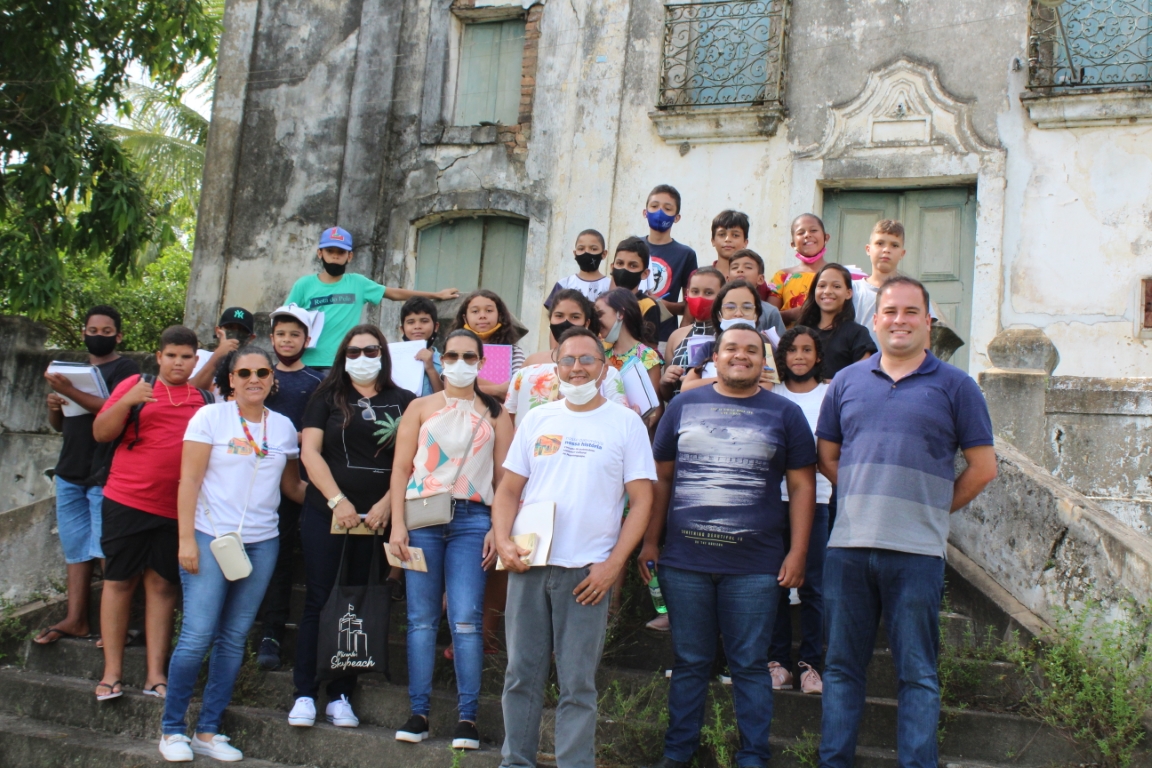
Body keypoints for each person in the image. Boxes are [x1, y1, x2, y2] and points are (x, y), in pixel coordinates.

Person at [815, 277, 998, 768]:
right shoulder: (848, 382)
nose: (899, 319)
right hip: (848, 548)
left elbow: (983, 470)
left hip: (917, 553)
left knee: (917, 673)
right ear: (875, 320)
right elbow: (827, 456)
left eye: (911, 311)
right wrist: (865, 497)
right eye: (890, 311)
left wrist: (929, 508)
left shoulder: (957, 386)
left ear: (928, 321)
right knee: (840, 668)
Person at [641, 322, 817, 768]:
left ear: (764, 361)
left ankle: (753, 757)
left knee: (750, 666)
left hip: (755, 566)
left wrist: (798, 553)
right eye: (731, 349)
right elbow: (660, 479)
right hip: (685, 562)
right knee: (690, 662)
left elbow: (801, 487)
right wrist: (650, 541)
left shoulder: (786, 414)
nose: (741, 356)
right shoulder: (683, 405)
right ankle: (677, 755)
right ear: (714, 358)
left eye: (752, 351)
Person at [492, 327, 657, 768]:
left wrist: (612, 565)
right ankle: (516, 762)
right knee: (520, 676)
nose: (577, 368)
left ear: (604, 368)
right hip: (530, 564)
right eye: (568, 360)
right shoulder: (538, 418)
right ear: (555, 365)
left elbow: (642, 501)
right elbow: (508, 491)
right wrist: (504, 541)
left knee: (578, 684)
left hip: (587, 574)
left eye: (588, 360)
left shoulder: (625, 423)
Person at [159, 347, 306, 762]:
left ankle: (208, 730)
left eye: (262, 372)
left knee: (234, 637)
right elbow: (188, 481)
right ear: (230, 379)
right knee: (197, 635)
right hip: (210, 537)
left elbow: (292, 488)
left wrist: (339, 500)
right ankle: (172, 730)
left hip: (262, 543)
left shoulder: (282, 428)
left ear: (272, 380)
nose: (254, 379)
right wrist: (186, 540)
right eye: (244, 373)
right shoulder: (210, 417)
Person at [388, 329, 514, 750]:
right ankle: (418, 712)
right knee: (421, 619)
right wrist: (397, 525)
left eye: (469, 356)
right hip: (422, 516)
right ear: (441, 359)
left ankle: (468, 718)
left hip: (473, 519)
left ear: (481, 362)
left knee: (465, 619)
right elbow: (401, 469)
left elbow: (503, 478)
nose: (460, 362)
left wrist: (500, 529)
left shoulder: (497, 413)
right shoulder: (419, 407)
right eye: (453, 355)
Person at [288, 325, 417, 729]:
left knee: (359, 602)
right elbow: (309, 453)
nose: (363, 357)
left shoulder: (405, 401)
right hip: (327, 514)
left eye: (371, 350)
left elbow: (413, 462)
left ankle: (341, 694)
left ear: (384, 354)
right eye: (355, 351)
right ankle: (305, 692)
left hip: (379, 519)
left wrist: (387, 508)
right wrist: (336, 501)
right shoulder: (325, 398)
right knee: (320, 600)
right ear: (343, 356)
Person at [91, 326, 213, 701]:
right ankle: (111, 673)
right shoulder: (136, 384)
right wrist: (127, 401)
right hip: (127, 500)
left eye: (187, 356)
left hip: (176, 508)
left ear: (196, 361)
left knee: (162, 586)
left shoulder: (206, 400)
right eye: (172, 355)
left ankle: (155, 674)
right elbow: (100, 433)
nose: (179, 363)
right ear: (159, 357)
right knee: (119, 582)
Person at [36, 306, 140, 645]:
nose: (97, 336)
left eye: (106, 331)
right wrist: (55, 407)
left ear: (119, 336)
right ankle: (76, 618)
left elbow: (115, 410)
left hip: (104, 472)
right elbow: (62, 426)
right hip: (70, 471)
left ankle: (115, 627)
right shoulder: (73, 372)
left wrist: (67, 391)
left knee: (104, 549)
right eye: (92, 330)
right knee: (76, 549)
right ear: (83, 332)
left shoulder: (126, 370)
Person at [254, 304, 325, 670]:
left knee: (304, 558)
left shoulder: (316, 382)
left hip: (303, 481)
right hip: (260, 482)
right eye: (281, 334)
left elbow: (323, 430)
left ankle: (307, 638)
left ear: (307, 340)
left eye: (295, 334)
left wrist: (301, 439)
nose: (287, 340)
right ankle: (268, 633)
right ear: (271, 339)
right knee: (273, 558)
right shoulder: (259, 376)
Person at [286, 226, 459, 368]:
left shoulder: (358, 283)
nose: (335, 255)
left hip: (344, 363)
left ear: (350, 256)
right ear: (319, 253)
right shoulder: (304, 285)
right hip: (306, 362)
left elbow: (394, 293)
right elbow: (285, 319)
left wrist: (436, 295)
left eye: (341, 251)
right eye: (330, 250)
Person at [767, 326, 832, 695]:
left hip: (817, 499)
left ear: (817, 356)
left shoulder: (830, 394)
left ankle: (811, 665)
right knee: (774, 583)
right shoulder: (771, 393)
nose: (799, 357)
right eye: (792, 350)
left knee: (813, 587)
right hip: (773, 500)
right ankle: (777, 663)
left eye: (807, 350)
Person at [506, 289, 626, 424]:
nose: (566, 322)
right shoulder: (530, 364)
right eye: (559, 315)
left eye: (575, 317)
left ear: (586, 323)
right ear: (550, 320)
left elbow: (618, 417)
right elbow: (510, 414)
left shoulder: (604, 368)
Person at [680, 280, 775, 393]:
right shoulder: (709, 348)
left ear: (756, 315)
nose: (738, 313)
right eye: (730, 307)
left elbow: (766, 387)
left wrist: (709, 382)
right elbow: (687, 387)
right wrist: (735, 379)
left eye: (747, 307)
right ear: (719, 315)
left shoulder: (766, 347)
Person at [795, 264, 876, 381]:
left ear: (848, 293)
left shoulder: (857, 334)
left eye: (836, 286)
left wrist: (823, 385)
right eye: (822, 286)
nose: (827, 291)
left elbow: (864, 378)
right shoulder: (802, 330)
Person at [595, 289, 663, 427]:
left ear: (621, 314)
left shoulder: (647, 356)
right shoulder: (603, 354)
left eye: (600, 314)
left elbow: (654, 410)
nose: (597, 321)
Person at [642, 184, 698, 344]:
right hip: (629, 336)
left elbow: (690, 304)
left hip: (664, 338)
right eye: (654, 206)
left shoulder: (686, 254)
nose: (659, 212)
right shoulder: (632, 246)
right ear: (645, 212)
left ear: (677, 217)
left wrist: (660, 305)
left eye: (667, 208)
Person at [660, 267, 724, 402]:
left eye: (708, 292)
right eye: (695, 292)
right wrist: (665, 381)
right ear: (687, 294)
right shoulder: (676, 335)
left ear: (722, 297)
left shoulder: (728, 335)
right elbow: (667, 395)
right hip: (680, 413)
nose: (700, 298)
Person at [453, 289, 526, 401]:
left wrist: (471, 386)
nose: (482, 316)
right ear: (464, 318)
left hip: (500, 412)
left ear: (499, 315)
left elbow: (518, 388)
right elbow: (451, 385)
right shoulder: (453, 350)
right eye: (475, 311)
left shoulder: (514, 352)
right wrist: (497, 390)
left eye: (489, 310)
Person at [769, 214, 831, 326]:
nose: (807, 235)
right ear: (793, 244)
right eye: (801, 232)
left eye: (813, 230)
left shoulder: (838, 275)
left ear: (826, 238)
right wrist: (792, 314)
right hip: (789, 341)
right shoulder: (782, 276)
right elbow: (768, 316)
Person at [853, 220, 906, 344]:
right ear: (868, 249)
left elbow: (925, 335)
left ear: (902, 253)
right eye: (880, 243)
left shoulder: (912, 293)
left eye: (894, 245)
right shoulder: (852, 290)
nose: (886, 250)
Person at [190, 307, 257, 391]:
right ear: (218, 331)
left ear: (251, 338)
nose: (235, 334)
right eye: (230, 327)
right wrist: (218, 355)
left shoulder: (254, 367)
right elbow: (190, 391)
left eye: (242, 330)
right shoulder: (201, 356)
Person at [609, 236, 664, 334]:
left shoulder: (648, 305)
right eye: (620, 263)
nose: (624, 269)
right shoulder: (604, 302)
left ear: (645, 273)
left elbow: (649, 345)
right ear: (612, 268)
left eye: (633, 265)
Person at [727, 249, 787, 337]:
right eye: (735, 267)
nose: (740, 270)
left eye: (748, 267)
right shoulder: (721, 308)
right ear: (728, 279)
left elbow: (781, 345)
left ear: (760, 279)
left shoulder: (770, 312)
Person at [545, 229, 611, 308]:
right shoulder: (563, 284)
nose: (586, 252)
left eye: (593, 249)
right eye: (581, 249)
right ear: (575, 253)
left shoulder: (611, 286)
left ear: (603, 254)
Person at [400, 297, 445, 396]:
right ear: (402, 329)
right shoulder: (393, 360)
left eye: (424, 321)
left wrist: (430, 368)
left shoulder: (445, 362)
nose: (417, 326)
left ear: (436, 327)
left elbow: (446, 399)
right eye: (411, 322)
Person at [708, 210, 751, 284]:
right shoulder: (701, 277)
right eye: (722, 234)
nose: (728, 239)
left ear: (745, 242)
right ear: (713, 240)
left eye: (735, 235)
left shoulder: (753, 278)